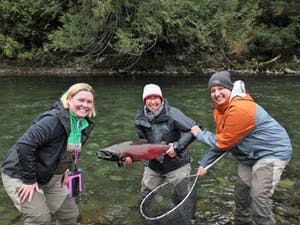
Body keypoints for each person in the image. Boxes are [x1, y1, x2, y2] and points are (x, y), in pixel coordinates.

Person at [191, 71, 292, 225]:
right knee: (241, 193)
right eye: (212, 90)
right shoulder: (220, 111)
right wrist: (204, 163)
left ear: (230, 89)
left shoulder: (240, 108)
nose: (216, 94)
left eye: (220, 88)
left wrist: (200, 134)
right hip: (249, 155)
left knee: (258, 198)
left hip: (272, 152)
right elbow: (225, 142)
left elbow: (222, 142)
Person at [1, 83, 96, 225]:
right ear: (69, 99)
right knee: (40, 219)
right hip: (20, 174)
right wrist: (29, 180)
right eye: (80, 100)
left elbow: (69, 149)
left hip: (52, 176)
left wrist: (68, 168)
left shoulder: (82, 124)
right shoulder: (53, 120)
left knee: (70, 216)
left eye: (89, 102)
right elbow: (25, 145)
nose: (85, 105)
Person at [125, 83, 196, 200]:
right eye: (149, 98)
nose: (152, 102)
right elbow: (141, 143)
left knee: (181, 196)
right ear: (144, 101)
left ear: (161, 99)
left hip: (177, 164)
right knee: (145, 195)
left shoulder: (173, 114)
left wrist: (177, 147)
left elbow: (193, 130)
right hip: (153, 165)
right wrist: (132, 156)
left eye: (155, 98)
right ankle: (142, 216)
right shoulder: (139, 118)